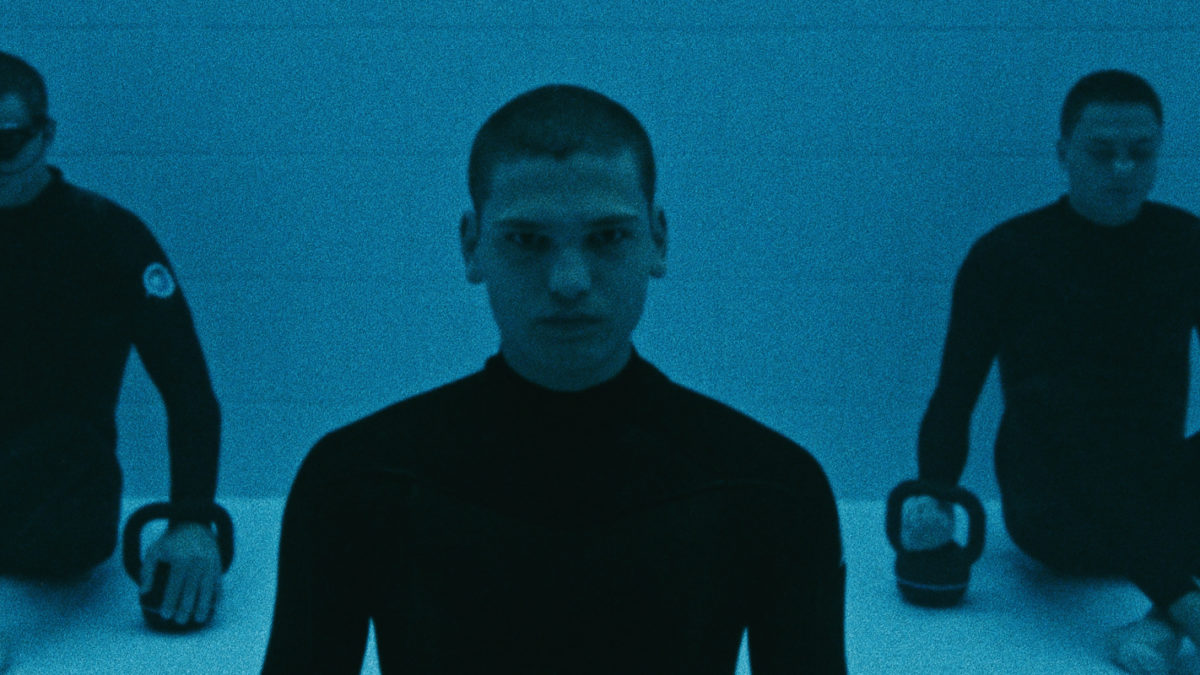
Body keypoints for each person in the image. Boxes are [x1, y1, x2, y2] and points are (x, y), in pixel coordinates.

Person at [261, 84, 846, 673]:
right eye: (527, 240)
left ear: (658, 240)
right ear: (472, 247)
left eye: (608, 237)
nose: (569, 281)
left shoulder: (773, 491)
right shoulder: (354, 485)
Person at [906, 69, 1200, 674]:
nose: (1123, 169)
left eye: (1141, 152)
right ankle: (1185, 604)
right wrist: (936, 494)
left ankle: (1156, 626)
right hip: (1056, 508)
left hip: (1156, 496)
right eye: (1101, 151)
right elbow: (955, 394)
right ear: (1063, 153)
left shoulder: (1188, 244)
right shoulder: (1007, 255)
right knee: (1053, 402)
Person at [0, 51, 225, 667]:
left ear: (45, 135)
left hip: (59, 507)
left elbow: (188, 391)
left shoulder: (107, 239)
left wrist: (191, 520)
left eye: (6, 142)